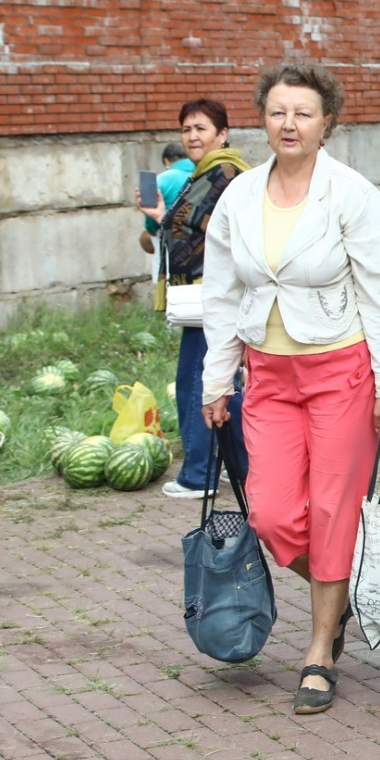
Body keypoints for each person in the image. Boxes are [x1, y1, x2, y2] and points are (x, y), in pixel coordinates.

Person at [201, 62, 380, 713]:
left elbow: (378, 293)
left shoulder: (352, 195)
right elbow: (222, 293)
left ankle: (319, 649)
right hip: (268, 375)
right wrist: (215, 379)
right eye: (278, 112)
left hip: (340, 370)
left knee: (330, 510)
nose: (289, 124)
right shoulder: (238, 197)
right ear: (263, 118)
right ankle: (339, 591)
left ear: (327, 123)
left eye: (303, 113)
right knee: (271, 514)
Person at [137, 100, 249, 499]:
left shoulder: (228, 174)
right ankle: (242, 468)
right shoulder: (200, 175)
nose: (192, 136)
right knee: (220, 383)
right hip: (199, 296)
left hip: (214, 296)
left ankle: (199, 475)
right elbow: (180, 229)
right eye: (186, 130)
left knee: (198, 382)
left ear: (223, 134)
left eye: (201, 128)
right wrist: (157, 214)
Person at [138, 142, 193, 256]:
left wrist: (151, 230)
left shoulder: (161, 180)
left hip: (168, 237)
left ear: (167, 161)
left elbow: (151, 224)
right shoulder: (202, 175)